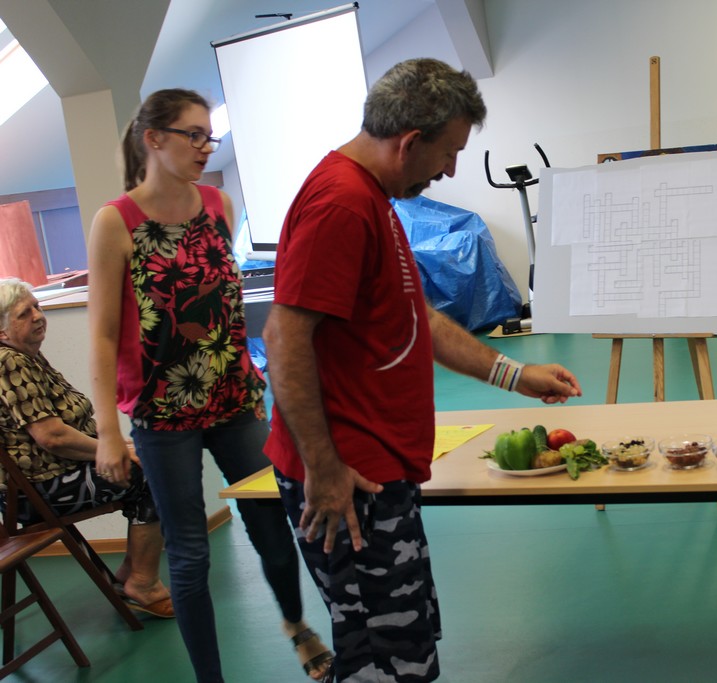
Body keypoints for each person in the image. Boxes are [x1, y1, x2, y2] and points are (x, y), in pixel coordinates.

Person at [262, 58, 582, 683]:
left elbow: (417, 319)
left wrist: (516, 376)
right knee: (385, 664)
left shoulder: (374, 199)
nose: (451, 170)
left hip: (378, 470)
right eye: (450, 153)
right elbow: (284, 336)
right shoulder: (341, 204)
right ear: (410, 143)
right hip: (349, 478)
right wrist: (324, 469)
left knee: (406, 648)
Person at [86, 89, 332, 682]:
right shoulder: (116, 221)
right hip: (162, 412)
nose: (205, 147)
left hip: (236, 400)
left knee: (275, 530)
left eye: (208, 135)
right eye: (192, 135)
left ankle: (297, 627)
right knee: (191, 554)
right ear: (154, 139)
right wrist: (108, 432)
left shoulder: (219, 205)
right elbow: (102, 334)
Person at [0, 278, 173, 618]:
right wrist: (113, 452)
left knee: (149, 457)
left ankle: (132, 573)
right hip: (36, 492)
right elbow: (52, 437)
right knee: (155, 473)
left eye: (37, 306)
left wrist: (118, 445)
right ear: (2, 331)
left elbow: (68, 429)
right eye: (24, 313)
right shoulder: (9, 362)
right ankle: (141, 581)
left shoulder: (26, 356)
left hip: (53, 477)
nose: (38, 316)